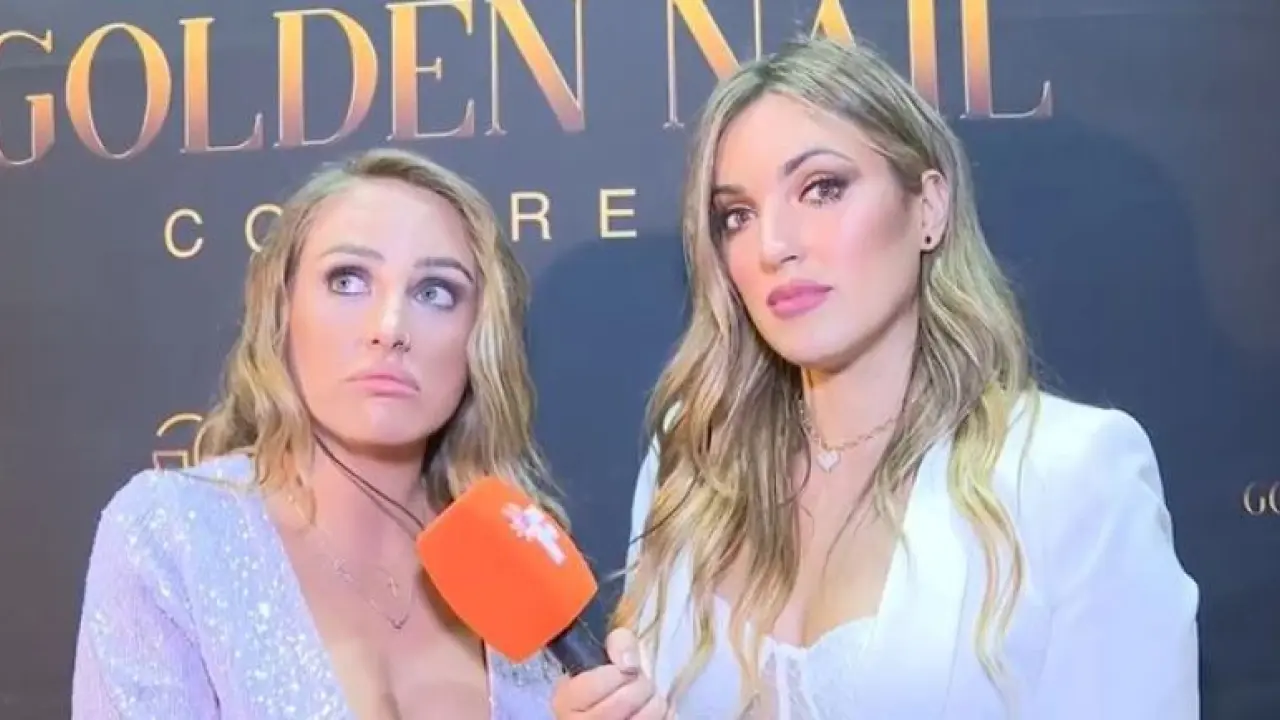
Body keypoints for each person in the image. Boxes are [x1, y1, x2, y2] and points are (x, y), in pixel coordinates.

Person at [551, 38, 1200, 719]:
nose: (774, 245)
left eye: (822, 189)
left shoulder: (1070, 474)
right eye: (736, 216)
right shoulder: (693, 460)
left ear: (929, 208)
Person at [72, 148, 563, 718]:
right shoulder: (173, 533)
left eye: (434, 292)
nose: (389, 328)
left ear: (481, 335)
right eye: (348, 280)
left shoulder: (510, 556)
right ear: (281, 312)